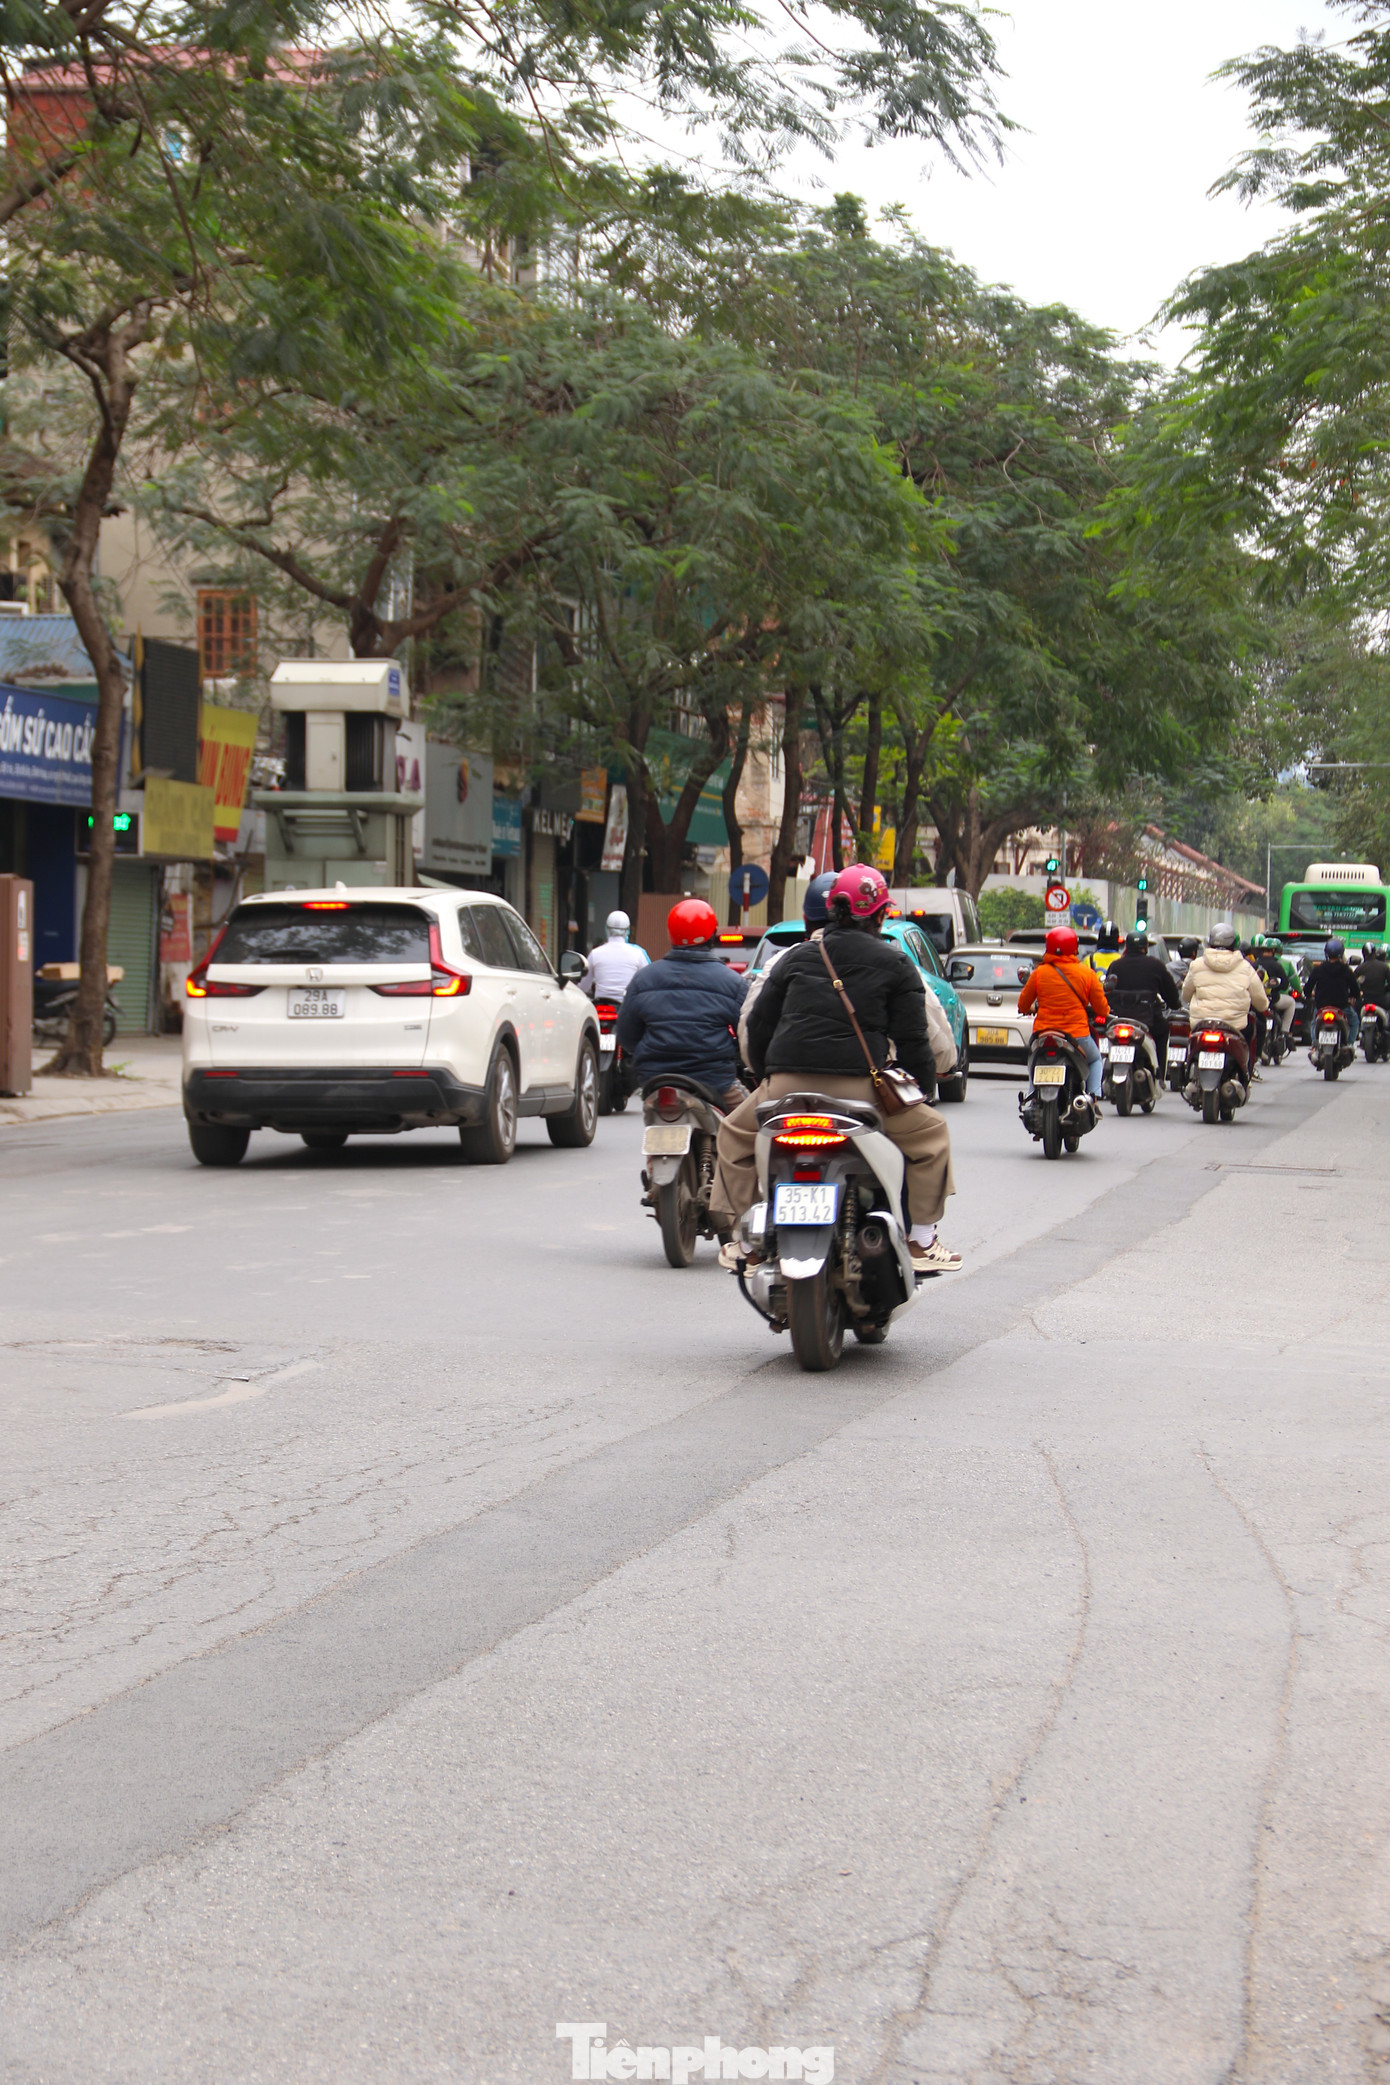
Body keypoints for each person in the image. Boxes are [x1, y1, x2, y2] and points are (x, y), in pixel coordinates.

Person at [709, 864, 960, 1277]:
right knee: (932, 1136)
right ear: (880, 914)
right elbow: (915, 1041)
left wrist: (763, 1078)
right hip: (863, 1091)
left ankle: (745, 1241)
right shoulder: (897, 964)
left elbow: (759, 1026)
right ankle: (922, 1240)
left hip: (785, 1088)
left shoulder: (794, 957)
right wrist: (925, 1091)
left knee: (734, 1135)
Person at [616, 899, 747, 1109]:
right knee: (751, 1124)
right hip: (715, 1081)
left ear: (670, 934)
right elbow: (748, 1035)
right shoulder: (733, 983)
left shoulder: (643, 979)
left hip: (655, 1081)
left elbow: (626, 1036)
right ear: (712, 934)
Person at [1017, 924, 1110, 1106]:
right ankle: (1092, 1097)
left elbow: (1022, 1005)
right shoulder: (1087, 974)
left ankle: (1032, 1096)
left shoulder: (1039, 974)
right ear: (1074, 948)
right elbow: (1102, 1009)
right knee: (1095, 1059)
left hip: (1043, 1034)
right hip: (1077, 1036)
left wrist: (1032, 1008)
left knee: (1034, 1061)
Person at [1181, 923, 1269, 1075]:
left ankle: (1189, 1071)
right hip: (1235, 1025)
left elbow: (1186, 995)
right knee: (1250, 1031)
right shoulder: (1246, 967)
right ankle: (1246, 1072)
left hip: (1202, 1023)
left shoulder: (1196, 965)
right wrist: (1264, 1006)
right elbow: (1260, 1001)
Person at [1103, 927, 1181, 1073]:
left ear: (1126, 947)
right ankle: (1158, 1074)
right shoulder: (1156, 965)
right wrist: (1175, 1005)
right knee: (1163, 1029)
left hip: (1118, 1020)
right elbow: (1170, 995)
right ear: (1145, 948)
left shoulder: (1115, 966)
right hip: (1147, 1022)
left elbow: (1107, 992)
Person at [579, 910, 650, 1001]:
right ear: (627, 931)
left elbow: (584, 987)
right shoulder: (638, 954)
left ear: (606, 929)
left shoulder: (595, 953)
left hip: (601, 1007)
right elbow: (647, 982)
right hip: (627, 1007)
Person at [1304, 936, 1361, 1048]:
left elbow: (1307, 989)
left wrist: (1309, 995)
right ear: (1341, 953)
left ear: (1326, 953)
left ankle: (1315, 1044)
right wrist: (1353, 996)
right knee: (1354, 1022)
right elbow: (1355, 990)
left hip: (1321, 1007)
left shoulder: (1318, 969)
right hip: (1342, 1007)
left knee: (1314, 1023)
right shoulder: (1346, 970)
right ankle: (1348, 1045)